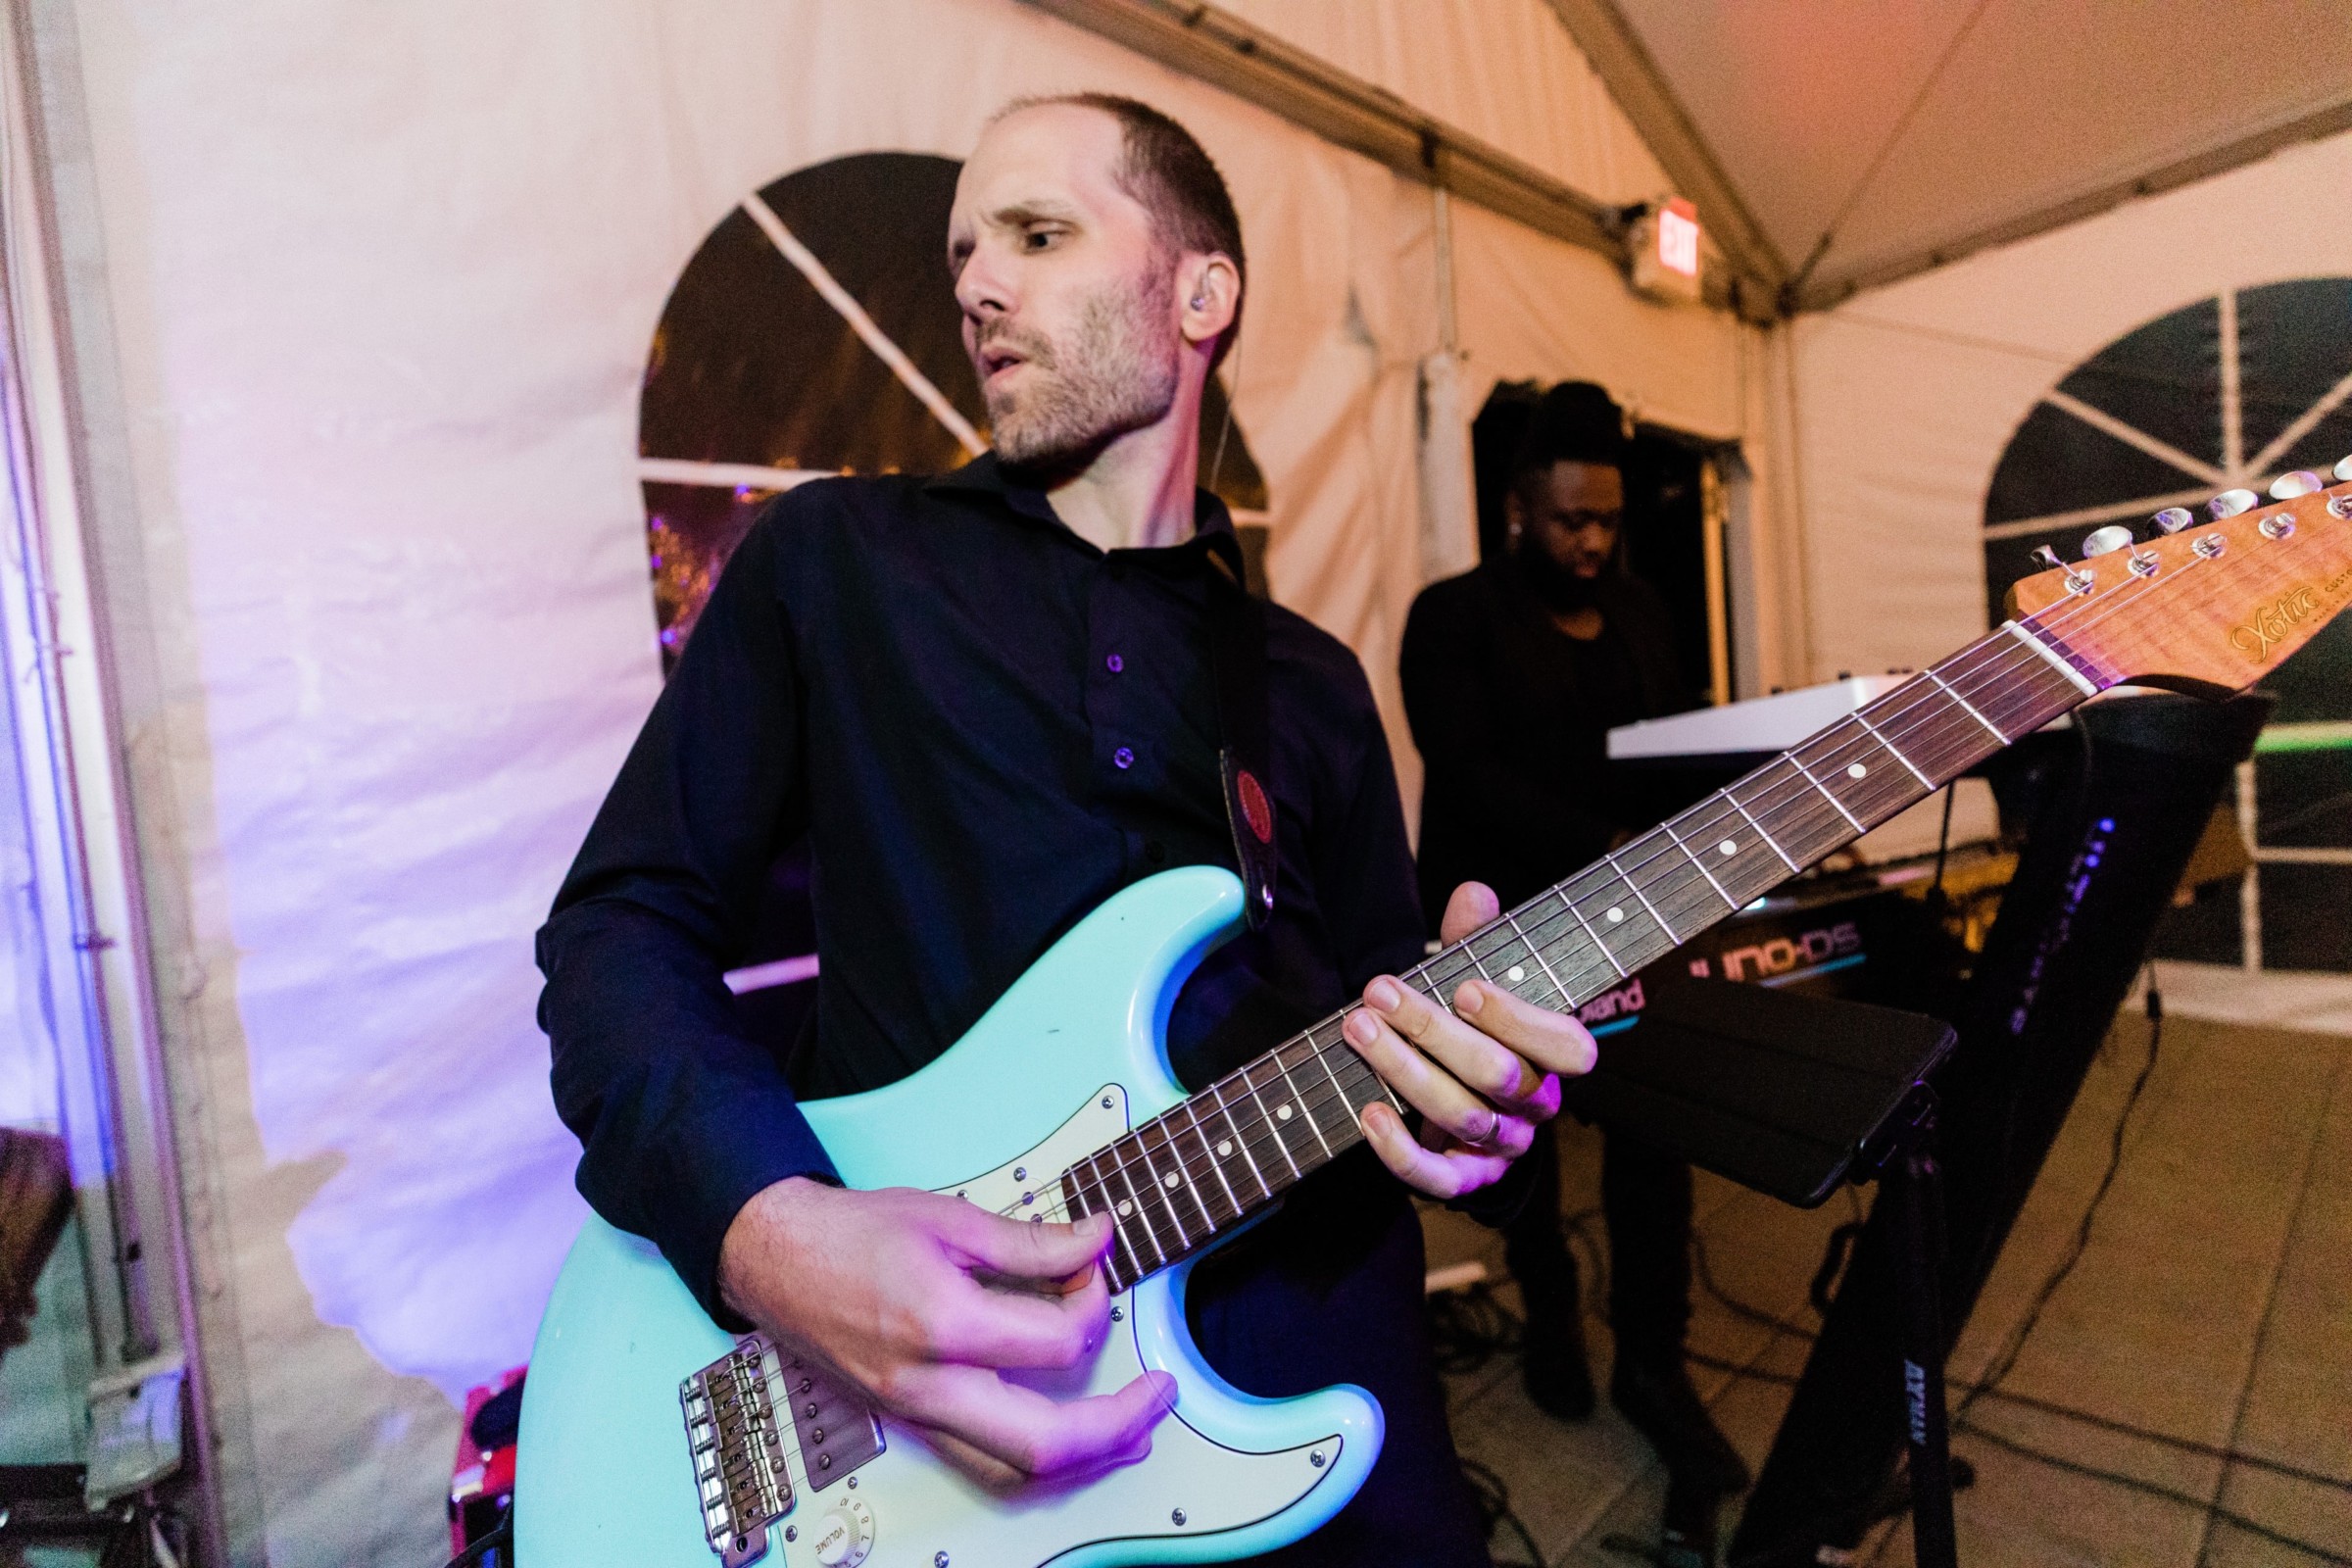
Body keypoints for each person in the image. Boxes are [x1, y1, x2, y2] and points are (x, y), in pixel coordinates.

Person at [536, 95, 1597, 1565]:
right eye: (967, 250)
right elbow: (616, 932)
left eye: (1038, 235)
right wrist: (768, 1232)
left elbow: (1386, 1053)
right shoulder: (838, 567)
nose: (975, 285)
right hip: (924, 1456)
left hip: (1313, 1402)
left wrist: (1475, 1107)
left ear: (1199, 293)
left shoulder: (1308, 684)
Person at [1399, 383, 1750, 1497]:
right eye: (1570, 521)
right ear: (1518, 510)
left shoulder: (1645, 611)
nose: (1593, 540)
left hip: (1634, 924)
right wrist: (1612, 840)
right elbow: (1466, 771)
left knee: (1658, 1138)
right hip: (1504, 938)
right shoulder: (1451, 617)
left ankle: (1656, 1361)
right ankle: (1549, 1309)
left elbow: (1682, 738)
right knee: (1524, 1148)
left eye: (1607, 519)